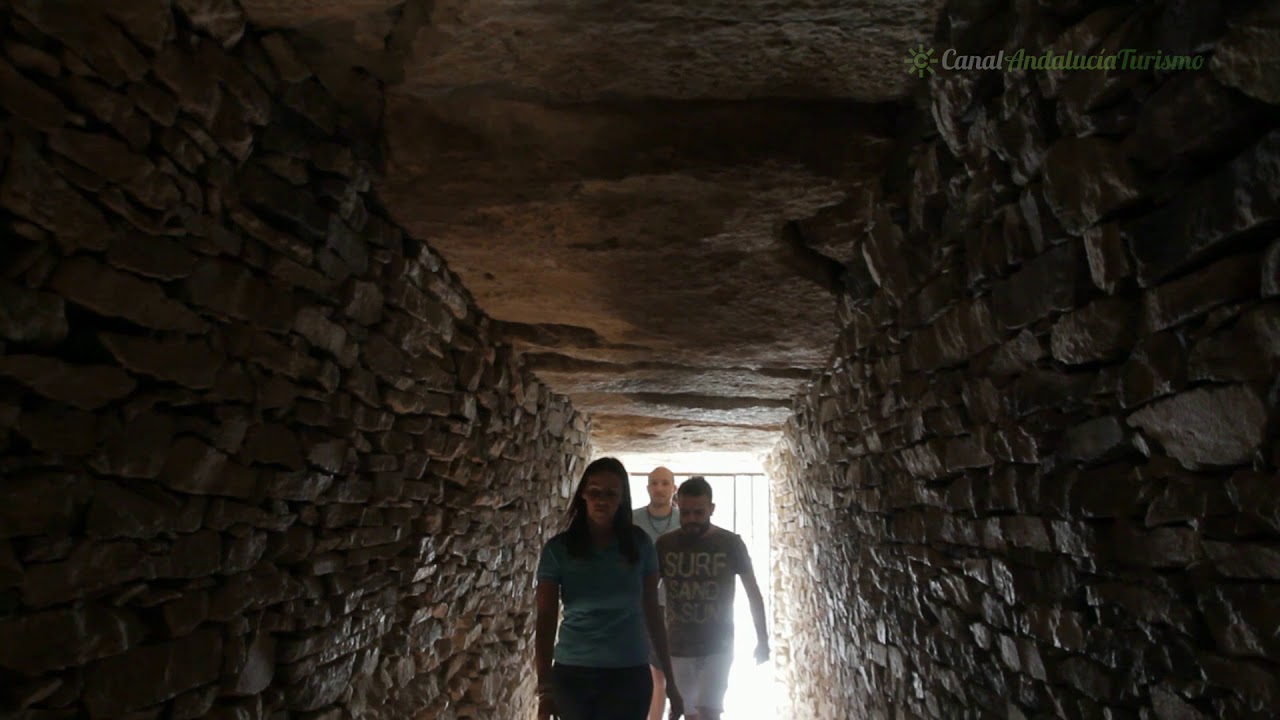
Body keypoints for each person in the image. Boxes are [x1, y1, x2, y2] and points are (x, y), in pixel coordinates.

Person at [535, 457, 685, 720]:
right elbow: (545, 618)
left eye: (610, 493)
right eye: (594, 492)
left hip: (628, 674)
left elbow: (653, 612)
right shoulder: (559, 550)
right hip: (574, 674)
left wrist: (670, 680)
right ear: (583, 494)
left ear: (621, 498)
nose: (601, 500)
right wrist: (545, 690)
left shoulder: (640, 546)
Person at [656, 476, 769, 720]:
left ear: (711, 509)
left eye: (698, 512)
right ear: (677, 507)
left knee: (710, 711)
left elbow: (753, 592)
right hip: (678, 645)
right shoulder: (665, 545)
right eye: (685, 513)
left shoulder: (730, 544)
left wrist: (763, 639)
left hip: (718, 644)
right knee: (687, 713)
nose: (691, 520)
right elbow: (646, 594)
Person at [632, 466, 682, 720]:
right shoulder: (632, 521)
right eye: (655, 483)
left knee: (673, 674)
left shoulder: (685, 520)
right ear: (648, 487)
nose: (660, 488)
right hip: (640, 606)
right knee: (650, 676)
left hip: (676, 609)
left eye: (665, 483)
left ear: (674, 488)